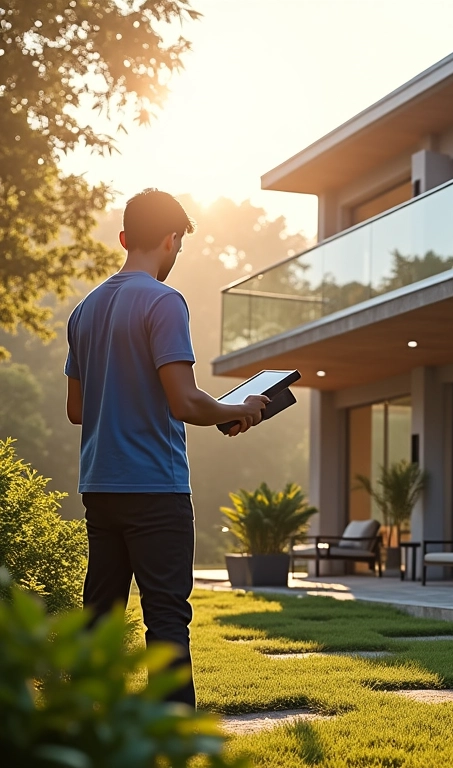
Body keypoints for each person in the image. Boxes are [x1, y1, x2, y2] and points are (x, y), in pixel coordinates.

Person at [64, 188, 268, 708]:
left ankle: (90, 738)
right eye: (179, 246)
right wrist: (237, 409)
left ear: (125, 237)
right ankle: (171, 744)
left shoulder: (84, 310)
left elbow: (77, 410)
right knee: (166, 623)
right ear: (171, 240)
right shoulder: (163, 301)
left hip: (100, 487)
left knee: (100, 620)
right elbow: (185, 403)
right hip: (155, 489)